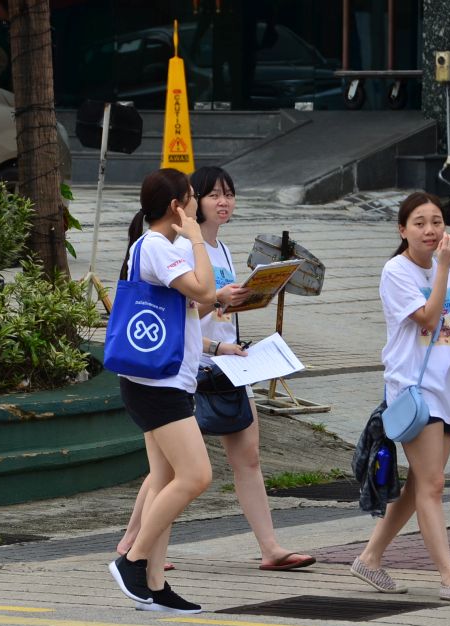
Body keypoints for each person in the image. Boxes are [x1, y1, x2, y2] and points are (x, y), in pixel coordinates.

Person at [116, 166, 316, 572]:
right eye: (211, 195)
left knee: (245, 457)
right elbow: (194, 305)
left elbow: (206, 303)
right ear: (188, 204)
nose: (223, 202)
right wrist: (220, 302)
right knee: (172, 470)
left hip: (226, 365)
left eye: (229, 194)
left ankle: (269, 546)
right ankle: (135, 548)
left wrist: (242, 300)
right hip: (187, 367)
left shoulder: (217, 248)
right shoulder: (174, 247)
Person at [348, 191, 450, 603]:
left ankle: (370, 558)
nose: (431, 230)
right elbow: (425, 317)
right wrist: (443, 268)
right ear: (402, 230)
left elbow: (442, 327)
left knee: (420, 485)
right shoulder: (396, 271)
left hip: (445, 386)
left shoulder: (444, 270)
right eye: (420, 223)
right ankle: (449, 578)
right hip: (413, 388)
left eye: (437, 222)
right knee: (433, 484)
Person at [107, 168, 231, 615]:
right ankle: (132, 560)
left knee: (163, 479)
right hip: (158, 384)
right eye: (194, 196)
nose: (198, 201)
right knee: (196, 476)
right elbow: (204, 289)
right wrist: (197, 238)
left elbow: (194, 307)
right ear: (178, 206)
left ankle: (154, 586)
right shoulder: (159, 247)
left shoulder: (159, 246)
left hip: (161, 379)